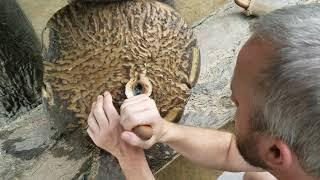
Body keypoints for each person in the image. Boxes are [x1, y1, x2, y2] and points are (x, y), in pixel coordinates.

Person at [86, 4, 320, 180]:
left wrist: (126, 154)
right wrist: (165, 131)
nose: (231, 103)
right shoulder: (302, 158)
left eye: (236, 104)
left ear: (275, 152)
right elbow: (231, 151)